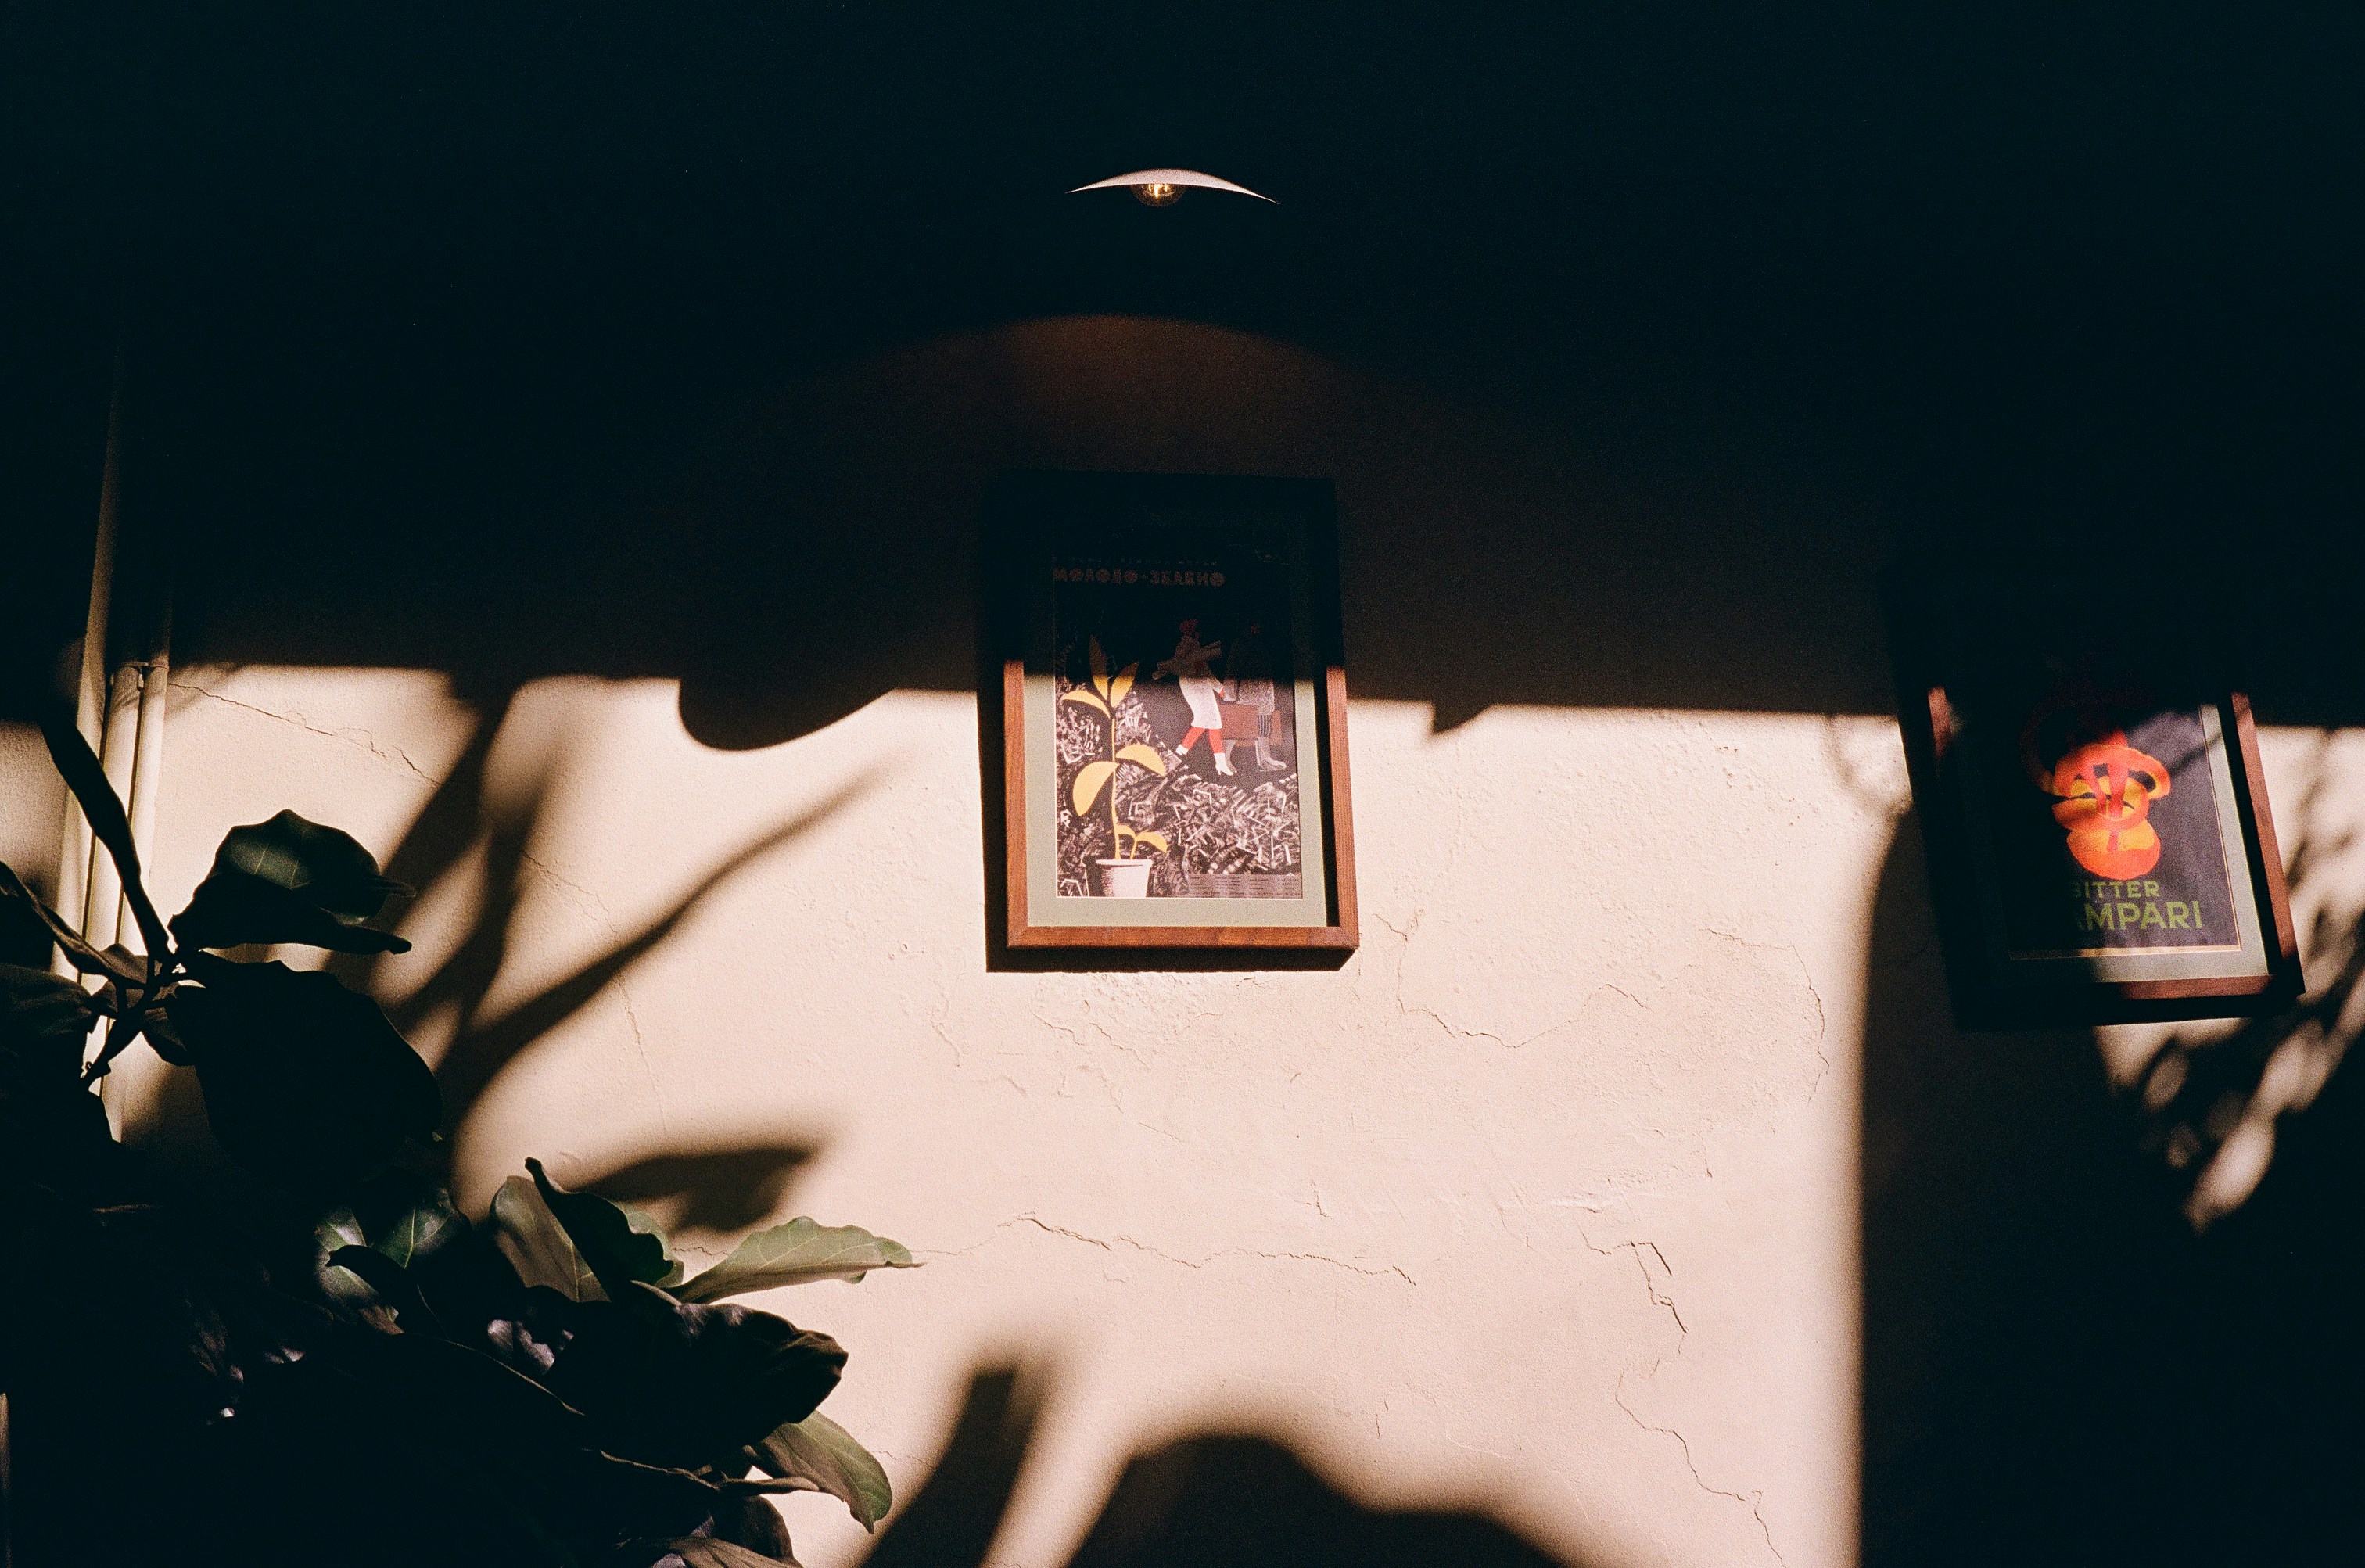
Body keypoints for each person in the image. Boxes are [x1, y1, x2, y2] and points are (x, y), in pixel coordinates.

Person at [1153, 617, 1232, 776]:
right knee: (1212, 722)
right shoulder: (1187, 647)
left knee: (1206, 722)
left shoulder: (1193, 647)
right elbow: (1186, 666)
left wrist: (1221, 690)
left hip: (1198, 684)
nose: (1199, 634)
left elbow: (1204, 671)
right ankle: (1218, 763)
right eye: (1197, 630)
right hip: (1195, 685)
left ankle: (1183, 752)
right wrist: (1222, 690)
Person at [1222, 621, 1283, 770]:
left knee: (1263, 727)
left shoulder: (1261, 644)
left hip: (1263, 694)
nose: (1257, 628)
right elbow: (1232, 668)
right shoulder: (1240, 644)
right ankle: (1224, 758)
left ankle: (1265, 759)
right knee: (1239, 728)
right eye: (1254, 626)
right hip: (1247, 693)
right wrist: (1230, 693)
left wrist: (1269, 693)